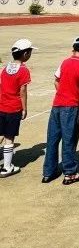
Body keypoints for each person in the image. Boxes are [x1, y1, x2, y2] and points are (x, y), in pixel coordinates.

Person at [42, 36, 79, 185]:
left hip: (57, 104)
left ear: (74, 48)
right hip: (70, 106)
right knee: (69, 138)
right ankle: (70, 172)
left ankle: (48, 172)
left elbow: (56, 80)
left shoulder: (64, 62)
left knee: (52, 138)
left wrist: (62, 92)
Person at [0, 39, 35, 177]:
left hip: (1, 106)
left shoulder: (5, 69)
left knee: (1, 134)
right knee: (9, 138)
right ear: (25, 54)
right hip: (13, 108)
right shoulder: (23, 70)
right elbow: (23, 91)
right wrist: (24, 108)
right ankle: (7, 167)